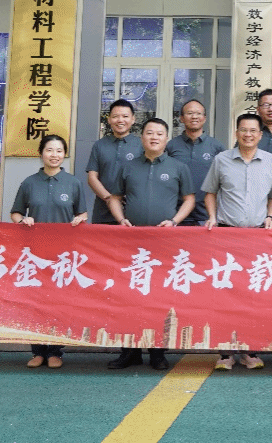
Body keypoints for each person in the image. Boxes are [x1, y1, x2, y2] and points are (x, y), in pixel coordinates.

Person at [105, 117, 194, 372]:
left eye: (159, 134)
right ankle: (129, 351)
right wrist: (120, 220)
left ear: (167, 139)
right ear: (141, 137)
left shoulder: (178, 167)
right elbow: (114, 197)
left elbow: (189, 199)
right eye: (149, 133)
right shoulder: (128, 166)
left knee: (160, 297)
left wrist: (174, 221)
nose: (154, 137)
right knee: (129, 296)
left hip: (164, 243)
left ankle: (157, 352)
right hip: (132, 244)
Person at [203, 112, 272, 371]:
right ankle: (225, 353)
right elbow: (210, 192)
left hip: (257, 236)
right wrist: (212, 217)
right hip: (227, 235)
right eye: (243, 130)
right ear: (236, 133)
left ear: (260, 134)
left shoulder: (270, 161)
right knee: (225, 294)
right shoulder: (221, 160)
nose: (248, 134)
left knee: (253, 295)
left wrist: (270, 216)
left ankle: (250, 350)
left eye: (253, 130)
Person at [10, 134, 87, 369]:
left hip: (62, 255)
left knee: (58, 302)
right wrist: (23, 220)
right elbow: (15, 212)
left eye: (59, 151)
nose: (54, 155)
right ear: (41, 153)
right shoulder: (29, 182)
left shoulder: (73, 183)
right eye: (50, 150)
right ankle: (37, 351)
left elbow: (83, 213)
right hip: (34, 254)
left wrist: (80, 220)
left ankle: (55, 351)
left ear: (64, 154)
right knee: (34, 302)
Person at [164, 98, 225, 226]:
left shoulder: (216, 146)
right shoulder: (171, 146)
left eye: (198, 113)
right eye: (190, 113)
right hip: (176, 214)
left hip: (207, 215)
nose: (194, 117)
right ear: (181, 118)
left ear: (204, 118)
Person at [86, 99, 138, 225]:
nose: (120, 120)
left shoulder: (141, 145)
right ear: (109, 119)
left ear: (133, 119)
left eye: (125, 116)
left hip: (132, 211)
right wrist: (109, 199)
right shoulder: (99, 145)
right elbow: (92, 177)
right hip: (102, 211)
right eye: (115, 116)